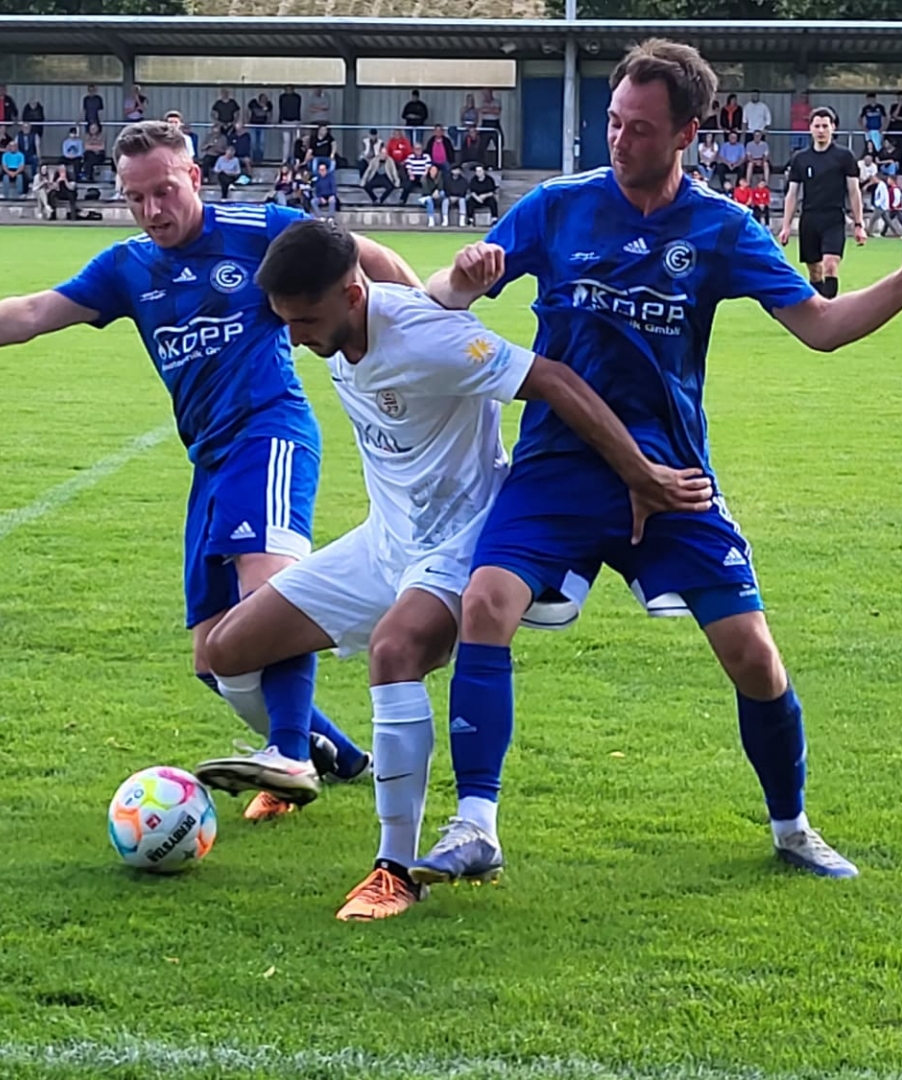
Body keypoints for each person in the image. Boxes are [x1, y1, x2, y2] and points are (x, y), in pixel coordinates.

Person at [407, 38, 902, 888]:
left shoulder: (719, 226)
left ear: (687, 134)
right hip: (558, 465)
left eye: (638, 128)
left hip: (671, 476)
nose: (618, 140)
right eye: (612, 122)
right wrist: (460, 276)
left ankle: (792, 828)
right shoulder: (557, 208)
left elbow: (819, 327)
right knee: (486, 602)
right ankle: (475, 825)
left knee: (754, 655)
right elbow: (440, 302)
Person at [0, 121, 428, 822]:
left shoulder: (257, 230)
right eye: (136, 198)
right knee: (212, 657)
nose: (152, 210)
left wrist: (427, 325)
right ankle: (336, 754)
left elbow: (369, 257)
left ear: (194, 178)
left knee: (269, 596)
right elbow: (36, 311)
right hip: (208, 458)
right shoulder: (128, 267)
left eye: (164, 191)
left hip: (269, 433)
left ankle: (287, 755)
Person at [203, 220, 710, 919]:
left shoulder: (427, 339)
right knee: (226, 650)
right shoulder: (342, 318)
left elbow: (555, 379)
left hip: (460, 537)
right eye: (283, 321)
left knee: (394, 651)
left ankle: (394, 869)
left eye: (305, 321)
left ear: (351, 295)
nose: (293, 338)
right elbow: (368, 254)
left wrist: (640, 474)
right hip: (383, 541)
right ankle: (313, 758)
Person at [776, 107, 866, 299]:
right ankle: (818, 310)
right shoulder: (800, 158)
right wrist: (786, 226)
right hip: (809, 219)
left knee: (830, 265)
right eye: (817, 126)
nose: (821, 130)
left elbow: (854, 191)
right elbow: (792, 193)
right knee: (815, 271)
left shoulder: (845, 157)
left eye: (825, 126)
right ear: (810, 128)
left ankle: (830, 310)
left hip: (834, 218)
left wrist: (859, 224)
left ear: (833, 127)